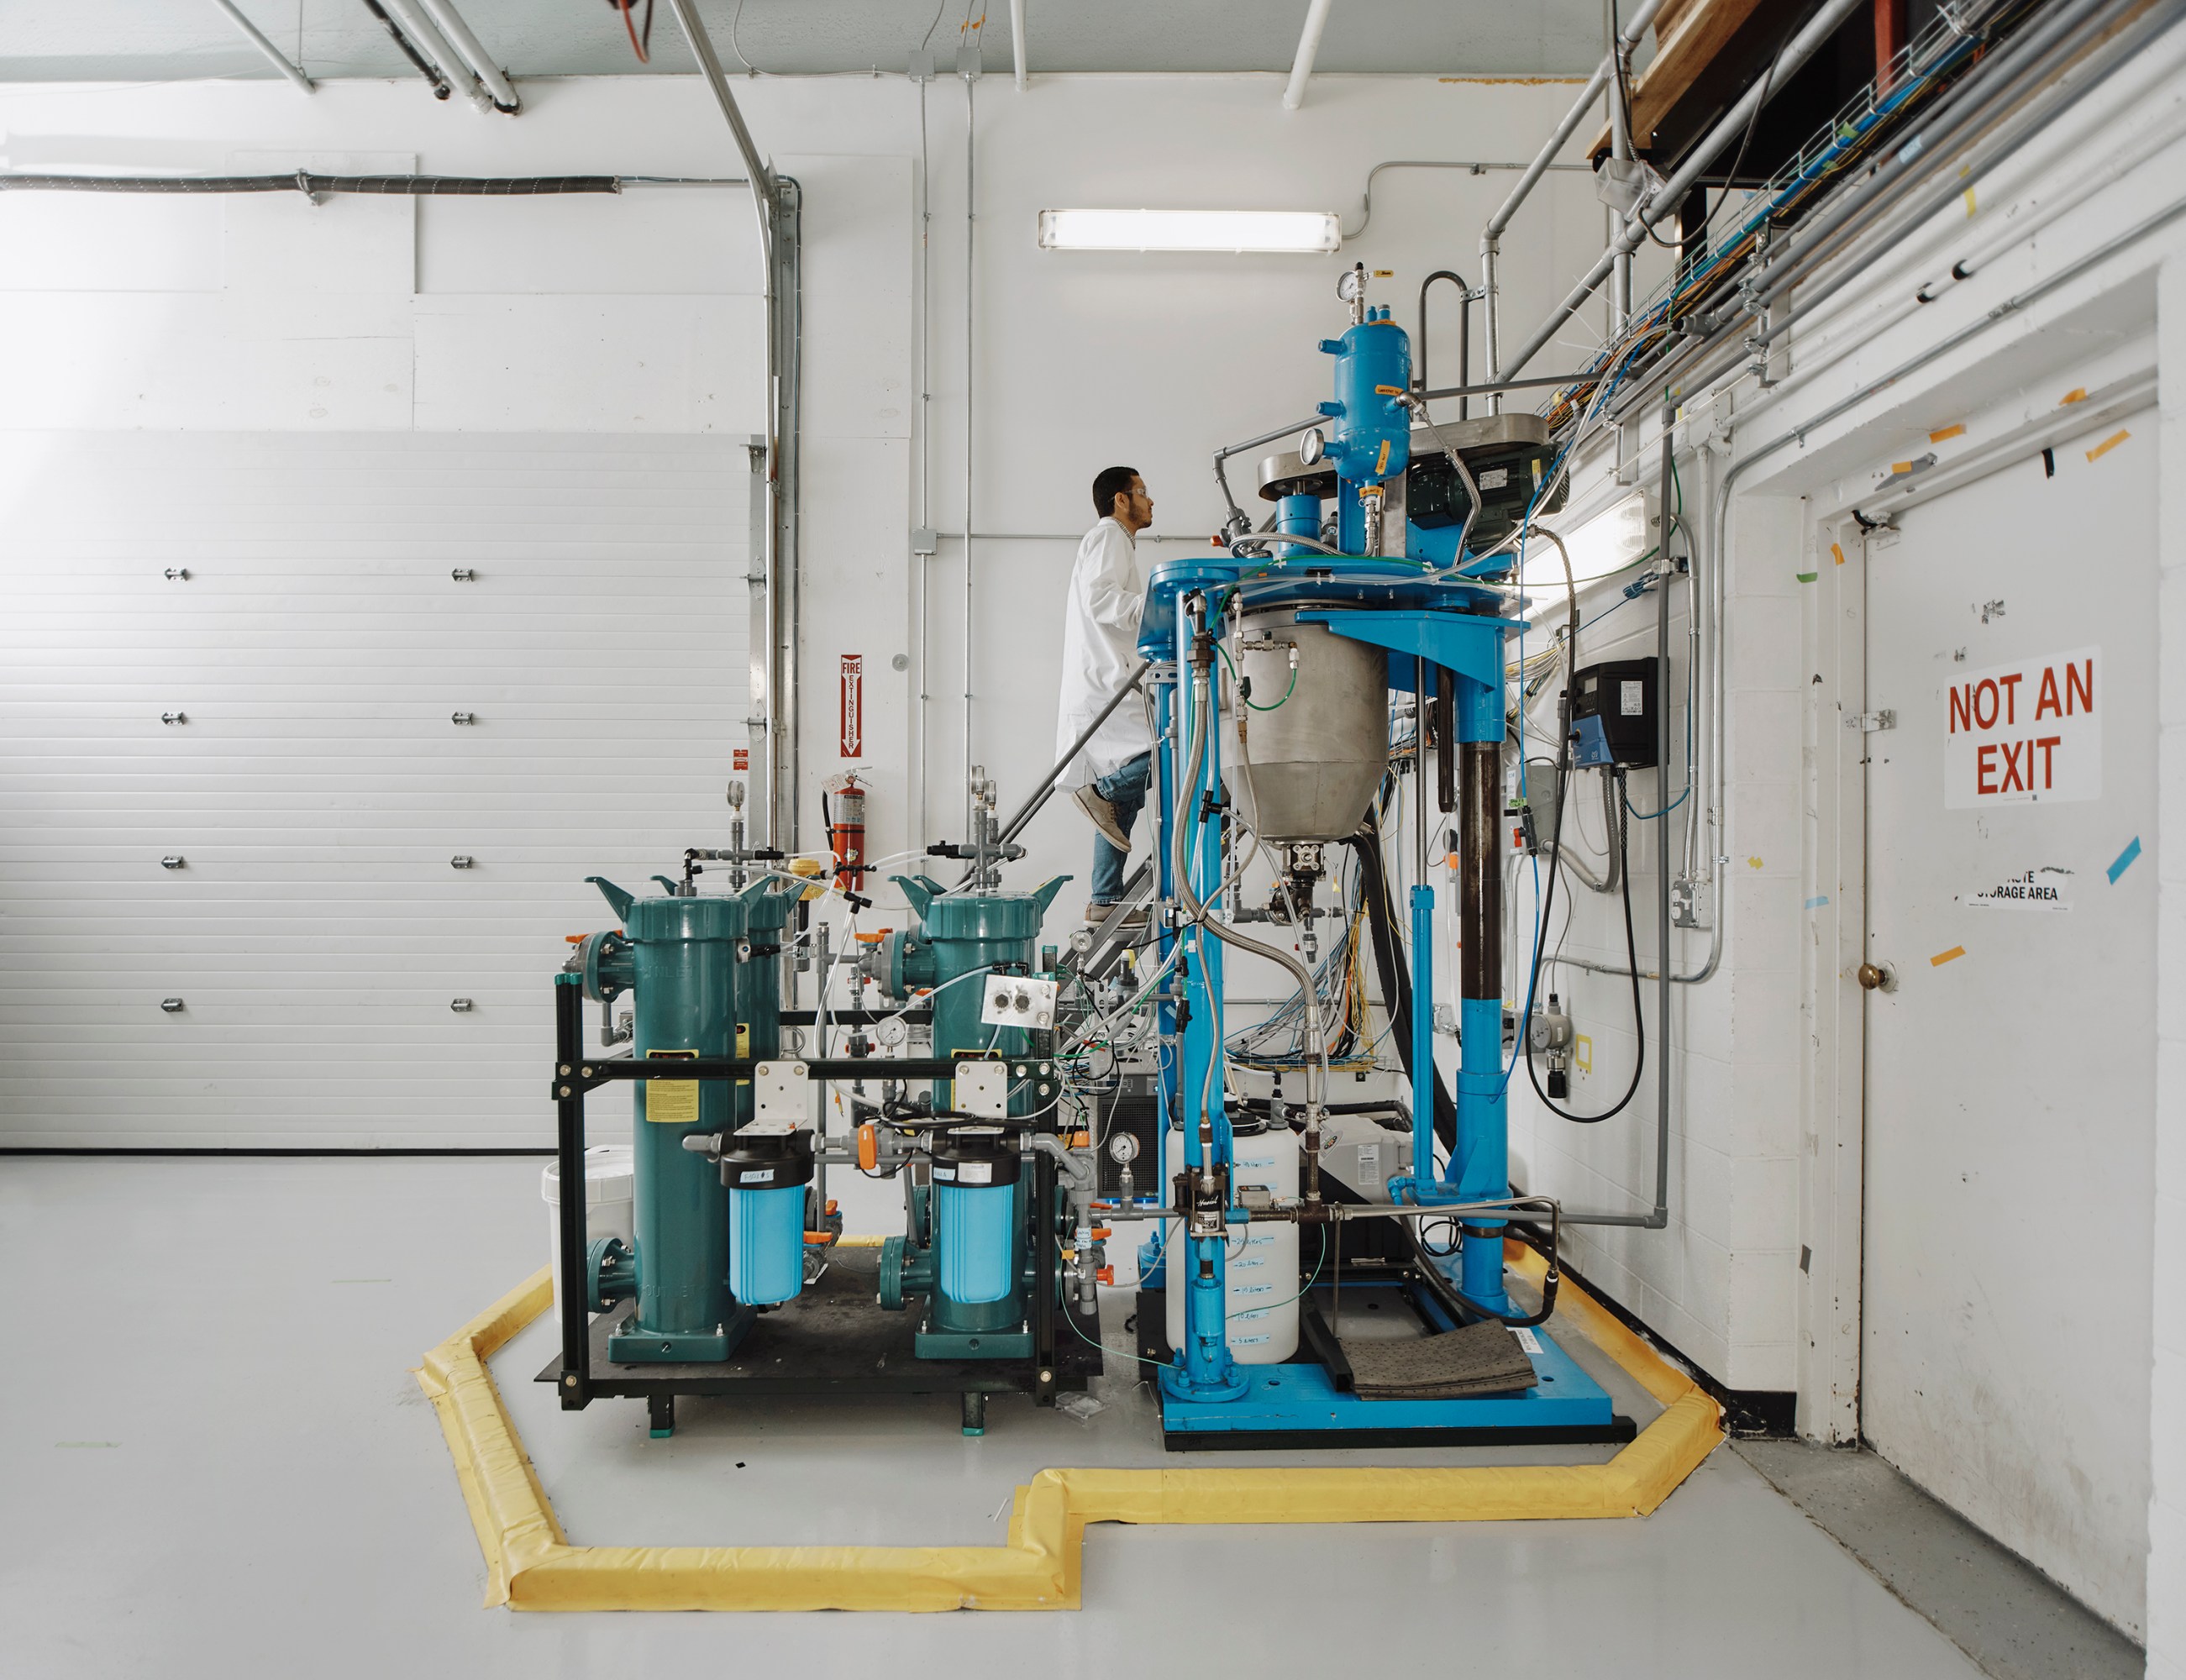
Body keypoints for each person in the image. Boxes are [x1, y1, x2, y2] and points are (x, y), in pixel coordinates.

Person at [1055, 465, 1155, 921]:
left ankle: (1105, 899)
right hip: (1106, 683)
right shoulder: (1110, 534)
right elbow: (1101, 598)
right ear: (1121, 500)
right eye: (1142, 492)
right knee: (1165, 753)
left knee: (1119, 808)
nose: (1150, 502)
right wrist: (1162, 607)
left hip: (1105, 679)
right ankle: (1103, 792)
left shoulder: (1113, 541)